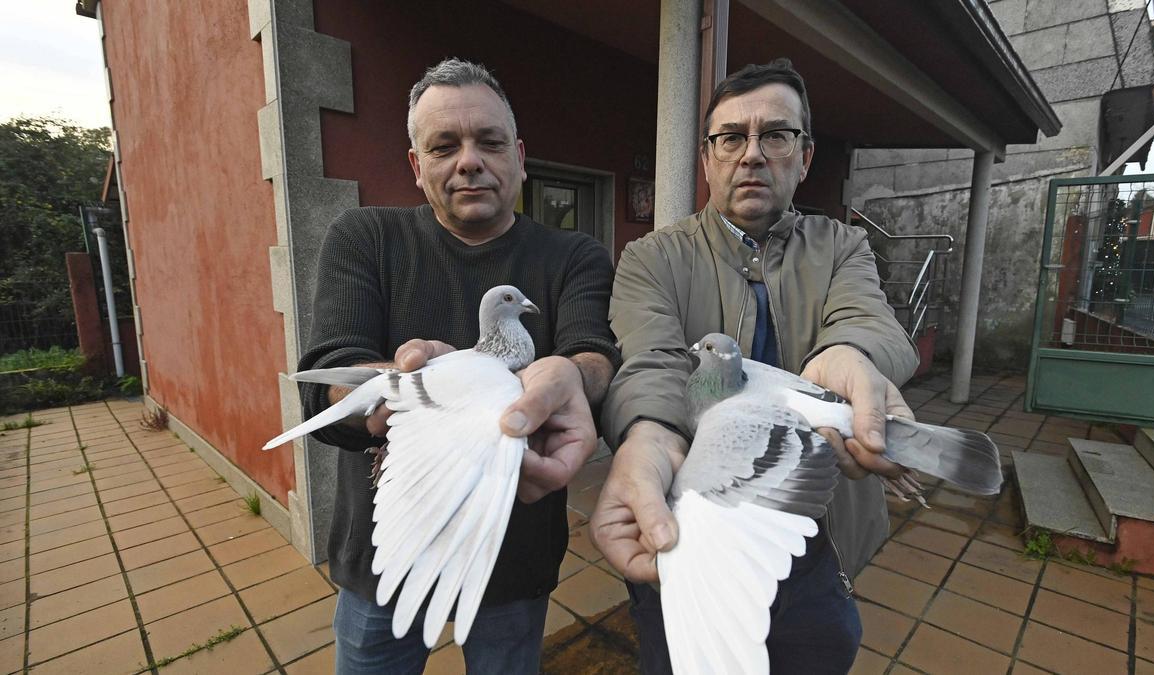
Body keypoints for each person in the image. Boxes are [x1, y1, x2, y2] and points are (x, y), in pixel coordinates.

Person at [591, 58, 920, 673]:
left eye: (775, 134)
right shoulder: (651, 258)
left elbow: (869, 321)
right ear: (708, 157)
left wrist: (850, 356)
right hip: (695, 529)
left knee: (822, 651)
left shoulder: (843, 245)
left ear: (805, 156)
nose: (752, 154)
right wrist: (651, 432)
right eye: (731, 138)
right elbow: (651, 360)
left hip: (813, 533)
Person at [297, 58, 619, 675]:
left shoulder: (574, 254)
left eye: (489, 142)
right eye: (444, 146)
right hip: (386, 550)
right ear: (417, 167)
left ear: (519, 157)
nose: (469, 160)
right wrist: (409, 394)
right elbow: (328, 375)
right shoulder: (365, 237)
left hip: (512, 551)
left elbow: (592, 352)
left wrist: (573, 377)